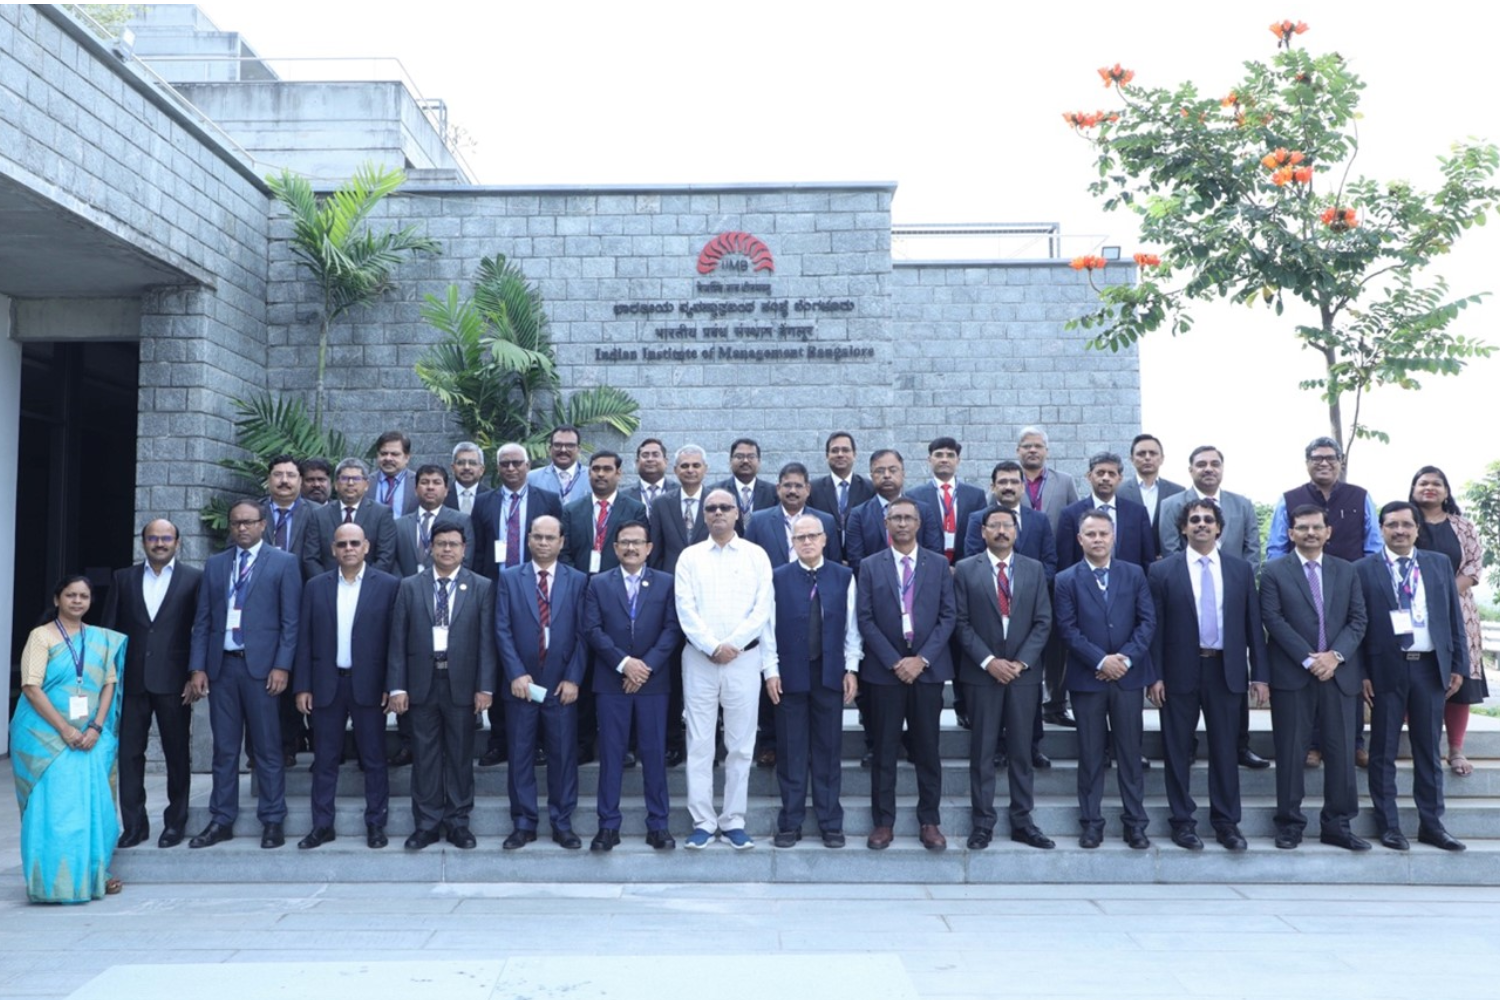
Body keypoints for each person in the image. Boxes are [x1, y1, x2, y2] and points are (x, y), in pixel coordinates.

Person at [1148, 499, 1267, 852]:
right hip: (1178, 672)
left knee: (1226, 750)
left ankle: (1226, 823)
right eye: (1194, 520)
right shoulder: (1161, 571)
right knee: (1177, 749)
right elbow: (1154, 629)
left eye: (1208, 520)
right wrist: (1154, 676)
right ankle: (1182, 822)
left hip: (1225, 671)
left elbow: (1252, 625)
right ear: (1183, 528)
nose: (1201, 524)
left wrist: (1260, 675)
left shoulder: (1239, 570)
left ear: (1219, 528)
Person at [188, 498, 302, 850]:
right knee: (224, 749)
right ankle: (221, 819)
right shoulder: (217, 565)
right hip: (223, 667)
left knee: (267, 748)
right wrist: (198, 667)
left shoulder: (284, 563)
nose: (241, 528)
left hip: (263, 669)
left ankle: (272, 819)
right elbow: (203, 620)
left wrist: (283, 665)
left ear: (263, 524)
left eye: (248, 522)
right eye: (236, 522)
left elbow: (290, 622)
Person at [1356, 501, 1468, 852]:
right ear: (1382, 529)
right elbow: (1357, 626)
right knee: (1383, 750)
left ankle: (1432, 825)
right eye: (1392, 525)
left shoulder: (1438, 565)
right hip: (1385, 668)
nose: (1400, 531)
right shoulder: (1362, 569)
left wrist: (1458, 665)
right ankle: (1388, 826)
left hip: (1430, 667)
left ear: (1418, 529)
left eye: (1407, 524)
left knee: (1427, 749)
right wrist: (1361, 672)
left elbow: (1454, 619)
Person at [11, 577, 127, 902]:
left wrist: (96, 728)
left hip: (91, 737)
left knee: (94, 806)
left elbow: (109, 684)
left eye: (84, 596)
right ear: (57, 599)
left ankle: (94, 876)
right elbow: (31, 687)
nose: (77, 601)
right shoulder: (41, 636)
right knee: (56, 809)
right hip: (46, 737)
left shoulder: (101, 639)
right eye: (71, 595)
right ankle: (54, 884)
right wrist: (65, 729)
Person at [1260, 504, 1368, 851]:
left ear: (1327, 532)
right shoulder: (1275, 571)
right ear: (1290, 533)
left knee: (1340, 752)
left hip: (1338, 674)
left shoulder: (1346, 571)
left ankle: (1338, 824)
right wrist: (1310, 660)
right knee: (1292, 752)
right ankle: (1290, 823)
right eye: (1302, 528)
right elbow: (1273, 620)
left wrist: (1334, 657)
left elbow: (1358, 620)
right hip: (1294, 674)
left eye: (1316, 527)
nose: (1310, 533)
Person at [1156, 444, 1269, 771]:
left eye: (1214, 463)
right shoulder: (1170, 506)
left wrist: (1235, 577)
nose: (1208, 469)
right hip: (1185, 622)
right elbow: (1170, 548)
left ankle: (1240, 748)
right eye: (1201, 464)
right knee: (1179, 733)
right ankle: (1186, 749)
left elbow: (1252, 552)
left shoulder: (1241, 504)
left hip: (1229, 609)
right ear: (1190, 469)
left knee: (1229, 725)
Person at [674, 488, 775, 849]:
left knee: (740, 744)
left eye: (725, 507)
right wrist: (712, 646)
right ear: (704, 515)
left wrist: (731, 645)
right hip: (700, 660)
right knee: (700, 742)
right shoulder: (689, 557)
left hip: (744, 660)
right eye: (711, 508)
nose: (718, 512)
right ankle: (702, 821)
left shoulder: (756, 556)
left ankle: (733, 820)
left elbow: (761, 609)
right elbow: (685, 610)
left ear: (738, 514)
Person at [387, 523, 496, 850]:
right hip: (422, 683)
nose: (447, 550)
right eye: (440, 544)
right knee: (425, 756)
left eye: (453, 544)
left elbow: (487, 642)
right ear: (429, 548)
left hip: (462, 684)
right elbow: (397, 640)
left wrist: (485, 687)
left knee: (461, 756)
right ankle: (427, 824)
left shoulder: (481, 586)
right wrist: (397, 687)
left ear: (464, 549)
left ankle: (459, 822)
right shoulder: (409, 586)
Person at [856, 497, 956, 851]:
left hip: (926, 672)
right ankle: (883, 822)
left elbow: (948, 617)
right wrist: (895, 661)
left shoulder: (938, 565)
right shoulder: (870, 566)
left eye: (908, 518)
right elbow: (864, 618)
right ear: (886, 524)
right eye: (895, 518)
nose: (901, 523)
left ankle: (929, 821)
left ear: (919, 523)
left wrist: (922, 660)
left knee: (927, 749)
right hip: (885, 673)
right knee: (884, 750)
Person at [292, 523, 399, 850]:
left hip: (369, 686)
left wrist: (392, 685)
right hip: (327, 685)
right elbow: (305, 640)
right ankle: (322, 825)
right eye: (342, 544)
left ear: (366, 546)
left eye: (355, 543)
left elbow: (395, 641)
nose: (348, 548)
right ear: (333, 549)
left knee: (374, 758)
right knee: (324, 758)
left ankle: (376, 824)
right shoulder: (315, 586)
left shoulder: (389, 585)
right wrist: (303, 686)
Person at [954, 506, 1055, 850]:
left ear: (1016, 530)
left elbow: (1043, 621)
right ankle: (982, 823)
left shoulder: (1034, 569)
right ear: (982, 531)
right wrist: (989, 661)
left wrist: (1021, 663)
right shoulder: (966, 570)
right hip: (982, 675)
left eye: (1006, 525)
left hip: (1023, 677)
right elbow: (961, 623)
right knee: (982, 750)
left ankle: (1022, 821)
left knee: (1021, 751)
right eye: (993, 525)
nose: (1000, 530)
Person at [1055, 509, 1157, 849]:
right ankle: (1091, 822)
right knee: (1091, 753)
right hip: (1088, 679)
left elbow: (1147, 622)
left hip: (1128, 678)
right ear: (1079, 539)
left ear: (1113, 537)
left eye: (1103, 533)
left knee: (1130, 752)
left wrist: (1124, 659)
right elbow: (1067, 630)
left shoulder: (1135, 573)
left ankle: (1135, 823)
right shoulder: (1066, 579)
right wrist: (1100, 660)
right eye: (1091, 534)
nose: (1098, 539)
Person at [101, 519, 202, 850]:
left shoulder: (193, 579)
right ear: (143, 542)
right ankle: (134, 825)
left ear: (177, 541)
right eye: (153, 538)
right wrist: (107, 678)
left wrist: (195, 673)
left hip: (175, 682)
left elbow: (199, 629)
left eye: (166, 538)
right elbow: (110, 630)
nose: (160, 543)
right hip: (130, 681)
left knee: (176, 755)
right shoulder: (123, 578)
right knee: (129, 755)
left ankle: (175, 823)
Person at [582, 519, 683, 850]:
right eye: (624, 542)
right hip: (612, 682)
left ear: (649, 548)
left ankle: (659, 825)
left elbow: (672, 630)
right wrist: (625, 665)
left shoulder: (666, 583)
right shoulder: (598, 583)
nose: (630, 548)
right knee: (611, 755)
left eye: (637, 542)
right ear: (614, 548)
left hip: (653, 684)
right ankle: (608, 825)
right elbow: (593, 629)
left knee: (654, 754)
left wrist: (646, 667)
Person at [763, 514, 861, 849]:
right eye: (799, 537)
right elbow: (768, 628)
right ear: (792, 541)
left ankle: (830, 822)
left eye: (812, 536)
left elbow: (852, 626)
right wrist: (771, 671)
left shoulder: (844, 576)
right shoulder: (777, 578)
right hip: (790, 674)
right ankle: (790, 822)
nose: (806, 542)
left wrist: (851, 668)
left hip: (829, 672)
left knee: (828, 749)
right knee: (791, 750)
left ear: (824, 539)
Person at [495, 515, 589, 850]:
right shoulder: (509, 578)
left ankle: (562, 823)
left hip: (560, 683)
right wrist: (515, 673)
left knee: (562, 755)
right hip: (523, 682)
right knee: (519, 754)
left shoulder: (578, 580)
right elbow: (502, 629)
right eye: (538, 537)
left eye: (551, 537)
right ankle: (523, 823)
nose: (544, 543)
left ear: (562, 541)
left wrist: (574, 678)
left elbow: (583, 634)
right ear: (528, 540)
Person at [1409, 466, 1488, 777]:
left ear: (1446, 491)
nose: (1430, 487)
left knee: (1460, 676)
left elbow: (1473, 567)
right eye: (1423, 482)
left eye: (1436, 483)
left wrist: (1441, 593)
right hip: (1410, 609)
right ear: (1413, 488)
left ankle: (1455, 748)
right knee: (1413, 672)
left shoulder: (1463, 526)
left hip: (1458, 609)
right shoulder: (1405, 522)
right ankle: (1417, 745)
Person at [648, 444, 712, 768]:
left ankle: (710, 745)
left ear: (705, 469)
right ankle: (673, 742)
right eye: (684, 466)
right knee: (673, 675)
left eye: (695, 465)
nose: (689, 470)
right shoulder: (661, 505)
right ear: (675, 471)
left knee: (709, 676)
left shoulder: (717, 502)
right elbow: (656, 554)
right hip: (671, 603)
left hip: (709, 603)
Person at [1265, 436, 1382, 563]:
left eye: (1331, 458)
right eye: (1317, 458)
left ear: (1341, 461)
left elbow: (1374, 546)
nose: (1324, 463)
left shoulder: (1361, 496)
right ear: (1307, 463)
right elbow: (1277, 548)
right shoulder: (1288, 499)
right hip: (1300, 579)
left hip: (1352, 578)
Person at [844, 449, 943, 571]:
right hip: (876, 585)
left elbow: (933, 553)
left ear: (903, 473)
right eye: (880, 471)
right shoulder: (858, 515)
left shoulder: (923, 511)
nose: (886, 475)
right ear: (871, 476)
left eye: (893, 470)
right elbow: (856, 560)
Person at [1056, 451, 1157, 570]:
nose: (1105, 478)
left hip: (1129, 585)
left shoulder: (1137, 513)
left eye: (1111, 474)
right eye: (1100, 473)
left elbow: (1148, 559)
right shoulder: (1070, 514)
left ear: (1120, 478)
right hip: (1084, 585)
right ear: (1089, 476)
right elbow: (1065, 562)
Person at [302, 458, 397, 579]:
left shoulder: (381, 513)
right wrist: (326, 584)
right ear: (336, 484)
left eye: (356, 479)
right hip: (328, 586)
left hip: (369, 586)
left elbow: (385, 557)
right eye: (344, 478)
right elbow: (311, 558)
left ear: (366, 485)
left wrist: (365, 584)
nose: (350, 483)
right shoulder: (319, 515)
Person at [908, 436, 988, 564]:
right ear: (929, 460)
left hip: (967, 566)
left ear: (958, 460)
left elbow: (981, 535)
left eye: (950, 455)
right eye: (939, 455)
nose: (944, 460)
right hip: (927, 565)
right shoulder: (914, 496)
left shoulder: (976, 495)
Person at [393, 464, 474, 577]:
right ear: (415, 490)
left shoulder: (461, 520)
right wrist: (405, 585)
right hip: (406, 589)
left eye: (436, 482)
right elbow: (393, 562)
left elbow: (465, 559)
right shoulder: (399, 524)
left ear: (446, 490)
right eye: (425, 482)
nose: (430, 487)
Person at [807, 430, 874, 551]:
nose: (840, 454)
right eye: (834, 450)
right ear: (827, 456)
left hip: (861, 558)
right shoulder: (813, 489)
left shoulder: (870, 488)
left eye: (845, 450)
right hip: (825, 557)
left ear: (854, 454)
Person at [1015, 425, 1078, 532]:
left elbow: (1077, 518)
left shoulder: (1065, 481)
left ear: (1047, 452)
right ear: (1018, 451)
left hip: (1055, 546)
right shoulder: (1006, 481)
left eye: (1038, 446)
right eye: (1027, 446)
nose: (1033, 450)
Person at [1116, 433, 1185, 531]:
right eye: (1141, 454)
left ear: (1162, 459)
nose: (1147, 458)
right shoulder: (1119, 492)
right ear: (1132, 459)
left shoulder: (1178, 492)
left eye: (1153, 453)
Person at [715, 437, 778, 526]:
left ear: (759, 461)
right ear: (730, 461)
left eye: (751, 457)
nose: (745, 461)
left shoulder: (773, 492)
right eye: (739, 456)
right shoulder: (716, 491)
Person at [528, 425, 587, 504]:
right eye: (558, 445)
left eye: (570, 445)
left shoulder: (592, 477)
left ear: (578, 449)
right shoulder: (531, 478)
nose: (563, 450)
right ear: (550, 449)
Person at [371, 429, 418, 518]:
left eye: (394, 454)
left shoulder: (418, 482)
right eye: (384, 453)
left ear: (407, 457)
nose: (388, 458)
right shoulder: (366, 482)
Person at [628, 438, 676, 518]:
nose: (650, 459)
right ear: (637, 463)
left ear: (665, 462)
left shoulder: (679, 491)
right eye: (645, 455)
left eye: (655, 455)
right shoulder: (624, 496)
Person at [445, 441, 490, 515]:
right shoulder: (442, 496)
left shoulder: (492, 498)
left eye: (472, 463)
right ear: (453, 468)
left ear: (481, 470)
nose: (466, 467)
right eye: (461, 463)